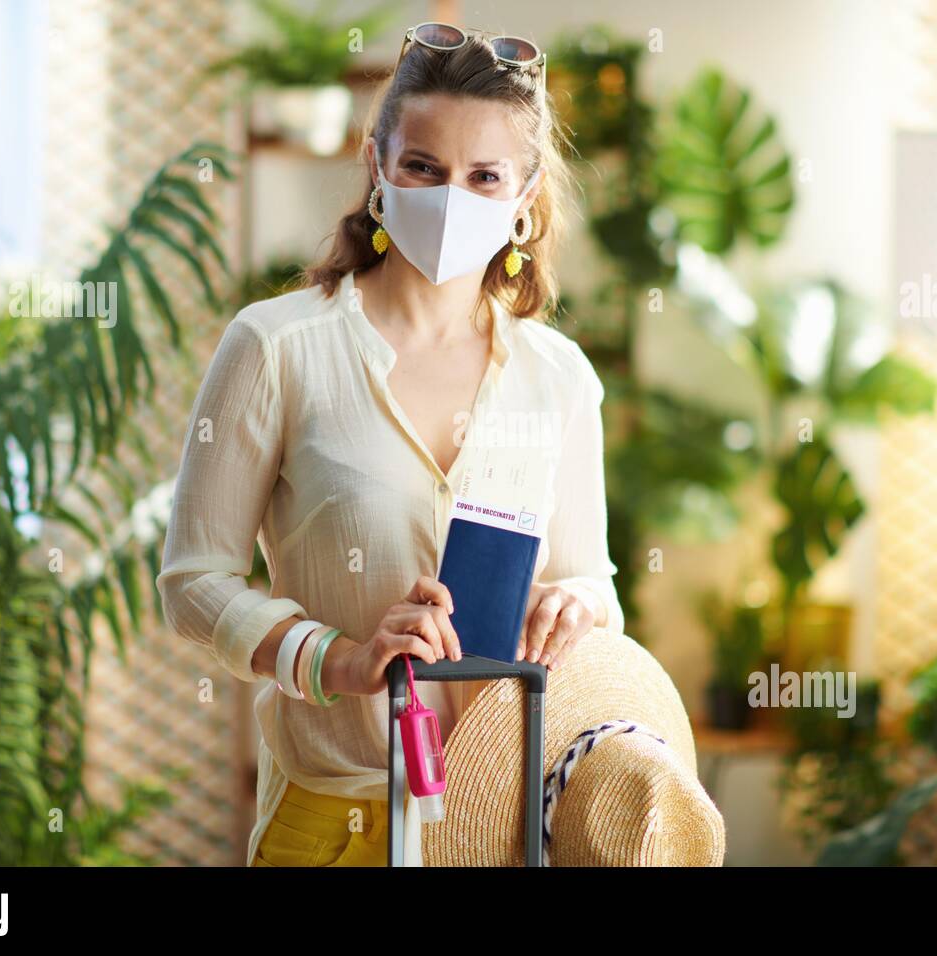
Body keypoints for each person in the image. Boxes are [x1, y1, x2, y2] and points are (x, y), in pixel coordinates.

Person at [156, 22, 624, 867]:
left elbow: (592, 581)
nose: (453, 198)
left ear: (524, 196)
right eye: (424, 168)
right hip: (334, 824)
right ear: (378, 166)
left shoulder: (559, 377)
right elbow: (192, 583)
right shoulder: (275, 347)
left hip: (501, 822)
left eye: (484, 177)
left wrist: (577, 606)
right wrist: (337, 660)